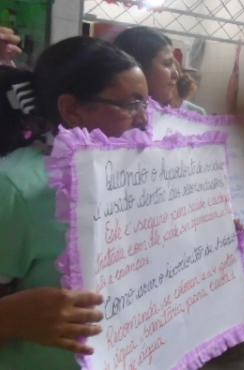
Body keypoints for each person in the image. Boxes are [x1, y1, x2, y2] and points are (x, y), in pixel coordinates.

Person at [0, 36, 148, 369]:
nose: (144, 119)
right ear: (72, 109)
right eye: (132, 104)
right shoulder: (16, 186)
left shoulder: (132, 175)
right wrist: (12, 318)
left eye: (146, 104)